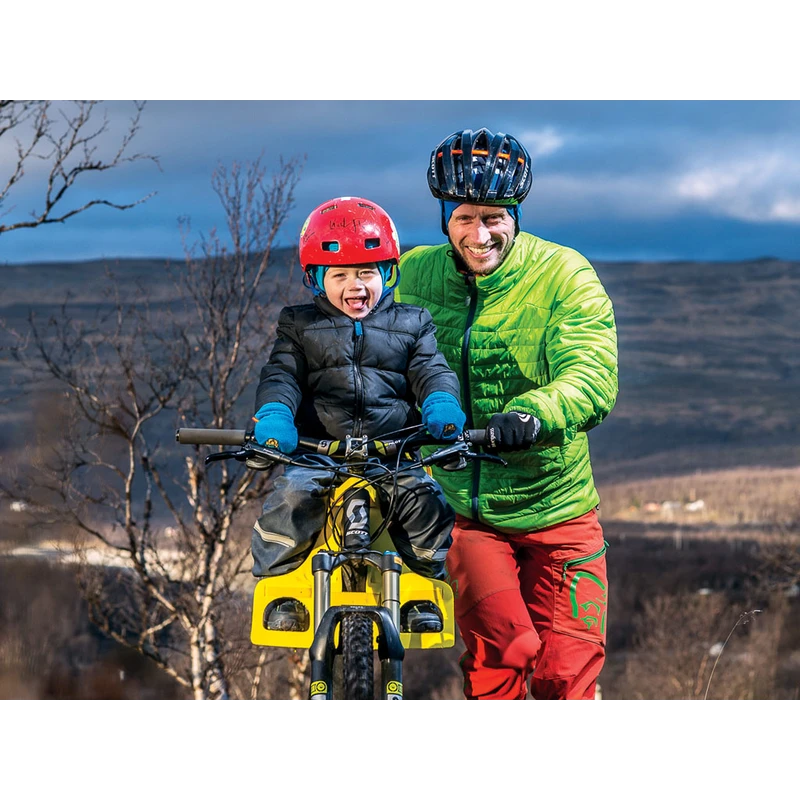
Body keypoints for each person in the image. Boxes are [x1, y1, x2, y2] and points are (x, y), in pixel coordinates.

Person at [395, 128, 619, 701]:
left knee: (566, 675)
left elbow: (592, 372)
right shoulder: (412, 276)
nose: (480, 233)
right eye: (465, 217)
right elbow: (360, 340)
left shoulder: (564, 274)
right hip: (468, 514)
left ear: (515, 214)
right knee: (502, 659)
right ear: (445, 217)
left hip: (559, 508)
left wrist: (534, 413)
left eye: (494, 217)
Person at [250, 195, 466, 633]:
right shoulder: (299, 325)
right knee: (292, 497)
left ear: (387, 274)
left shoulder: (413, 322)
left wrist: (441, 404)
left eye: (367, 272)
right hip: (318, 452)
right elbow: (282, 375)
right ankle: (285, 588)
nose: (356, 286)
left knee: (426, 503)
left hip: (393, 453)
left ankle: (423, 588)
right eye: (341, 274)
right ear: (316, 278)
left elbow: (430, 369)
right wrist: (275, 415)